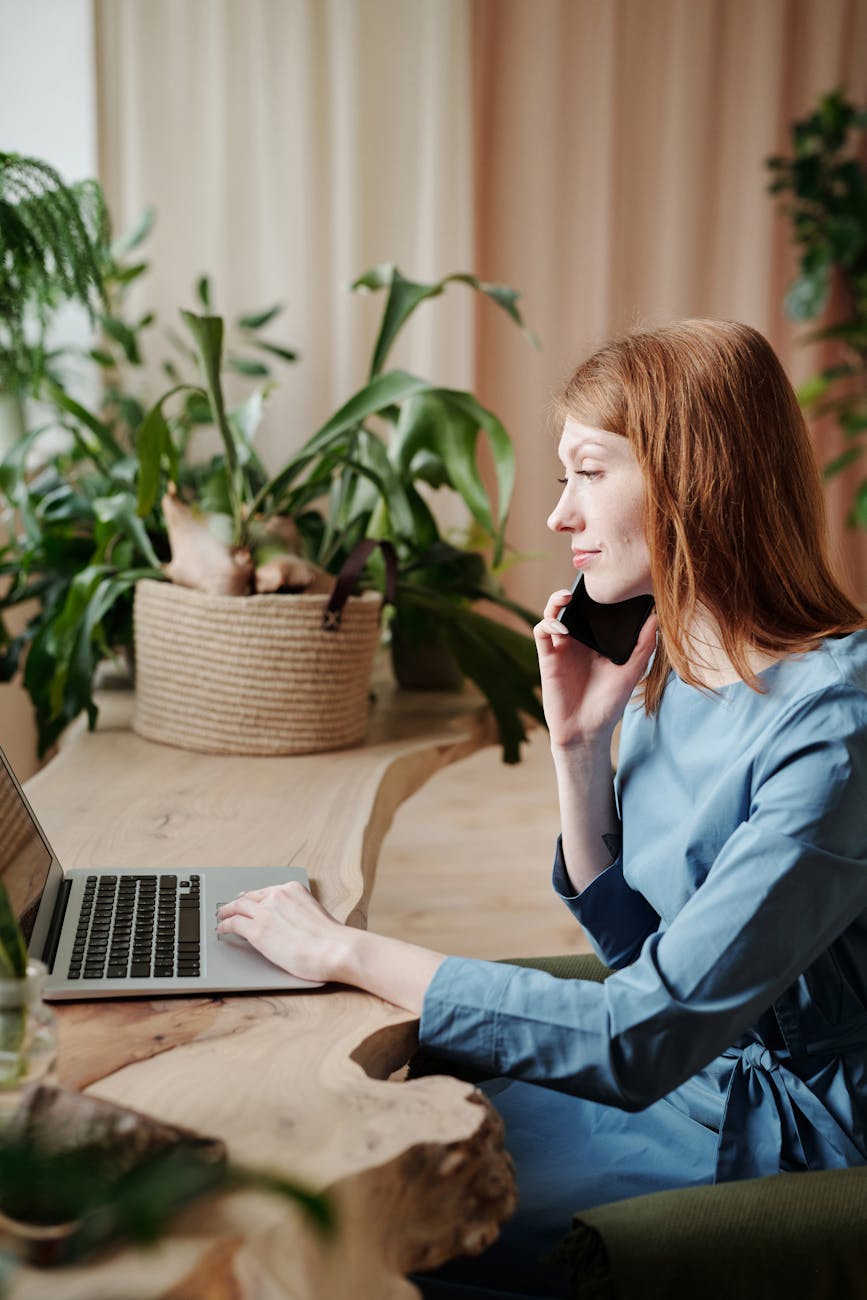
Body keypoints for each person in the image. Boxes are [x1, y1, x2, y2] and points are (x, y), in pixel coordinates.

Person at [217, 320, 867, 1299]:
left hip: (791, 1132)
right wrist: (579, 751)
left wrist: (345, 950)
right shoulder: (673, 670)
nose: (561, 514)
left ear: (693, 480)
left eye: (588, 473)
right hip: (684, 1077)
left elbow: (638, 1034)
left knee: (372, 1224)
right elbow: (638, 955)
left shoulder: (833, 729)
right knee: (320, 1161)